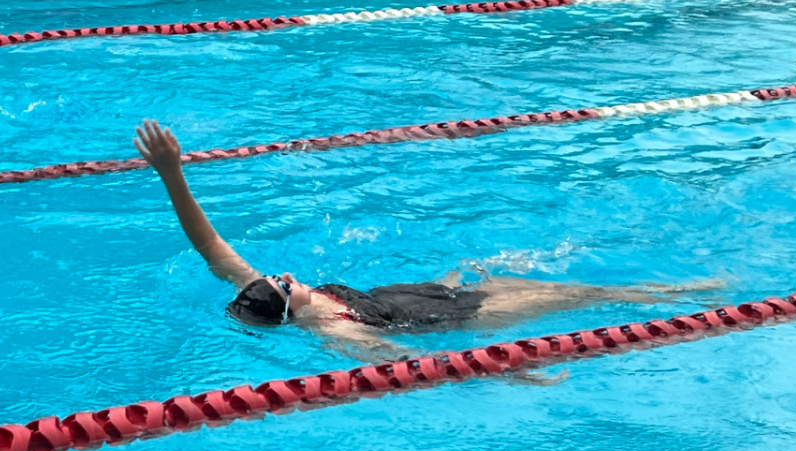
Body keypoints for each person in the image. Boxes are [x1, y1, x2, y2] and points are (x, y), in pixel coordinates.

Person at [134, 120, 720, 364]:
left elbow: (210, 246)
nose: (284, 273)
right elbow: (414, 360)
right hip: (457, 316)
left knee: (523, 273)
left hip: (418, 292)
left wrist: (171, 173)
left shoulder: (274, 295)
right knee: (580, 295)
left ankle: (675, 292)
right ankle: (684, 296)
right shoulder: (336, 331)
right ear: (286, 304)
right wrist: (507, 369)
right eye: (282, 282)